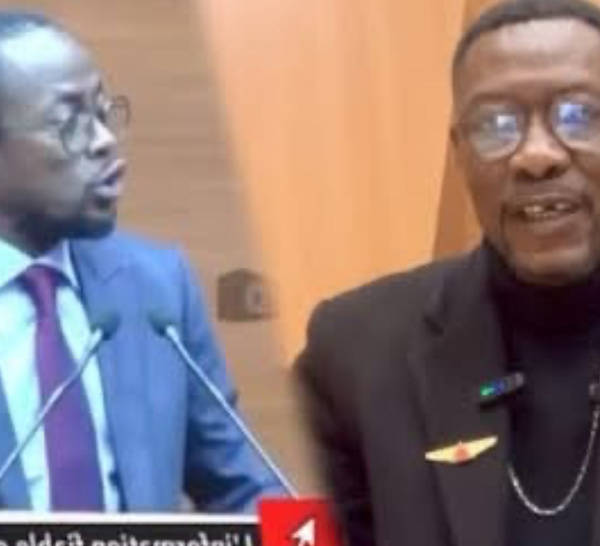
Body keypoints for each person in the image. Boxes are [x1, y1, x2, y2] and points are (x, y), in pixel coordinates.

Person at [295, 0, 600, 544]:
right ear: (460, 155)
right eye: (496, 125)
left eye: (578, 115)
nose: (536, 156)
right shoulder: (354, 356)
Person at [0, 10, 286, 512]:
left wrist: (298, 535)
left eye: (103, 113)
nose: (104, 141)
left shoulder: (156, 288)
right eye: (71, 122)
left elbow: (241, 486)